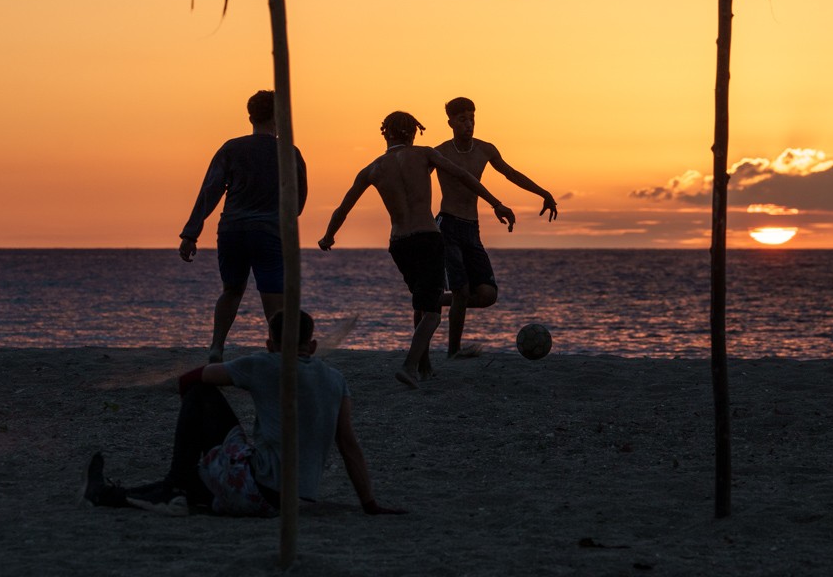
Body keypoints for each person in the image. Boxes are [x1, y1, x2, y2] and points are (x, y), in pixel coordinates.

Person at [82, 310, 403, 518]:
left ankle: (168, 486)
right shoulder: (337, 380)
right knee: (198, 484)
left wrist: (199, 430)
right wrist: (369, 504)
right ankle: (128, 493)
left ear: (269, 343)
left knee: (200, 394)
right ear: (313, 345)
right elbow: (349, 446)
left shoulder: (264, 364)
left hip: (259, 489)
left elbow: (190, 379)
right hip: (295, 499)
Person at [318, 111, 515, 389]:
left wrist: (328, 236)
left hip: (399, 243)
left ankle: (424, 366)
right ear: (413, 133)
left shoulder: (372, 169)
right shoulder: (424, 154)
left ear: (385, 134)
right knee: (432, 311)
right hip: (427, 238)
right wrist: (496, 203)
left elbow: (343, 208)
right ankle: (409, 366)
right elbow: (463, 176)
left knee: (420, 300)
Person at [178, 89, 308, 363]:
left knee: (232, 290)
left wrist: (191, 233)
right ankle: (280, 352)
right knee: (272, 295)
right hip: (268, 232)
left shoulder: (231, 148)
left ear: (250, 116)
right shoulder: (289, 152)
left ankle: (216, 347)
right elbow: (298, 203)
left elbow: (209, 191)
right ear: (279, 116)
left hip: (232, 231)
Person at [432, 97, 557, 357]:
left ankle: (433, 301)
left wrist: (543, 192)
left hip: (471, 228)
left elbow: (511, 173)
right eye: (463, 119)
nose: (469, 124)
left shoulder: (485, 150)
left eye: (472, 118)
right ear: (451, 123)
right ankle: (453, 351)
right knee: (462, 290)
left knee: (487, 295)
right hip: (447, 226)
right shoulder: (440, 152)